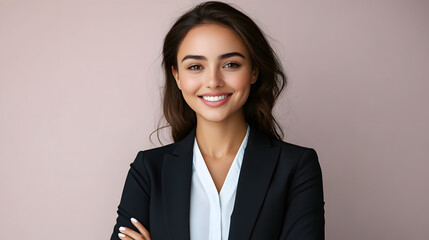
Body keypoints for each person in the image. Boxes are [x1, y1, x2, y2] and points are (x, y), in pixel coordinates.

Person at [110, 1, 324, 239]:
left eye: (231, 64)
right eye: (195, 66)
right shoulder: (148, 171)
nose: (213, 81)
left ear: (254, 71)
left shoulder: (295, 167)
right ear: (177, 76)